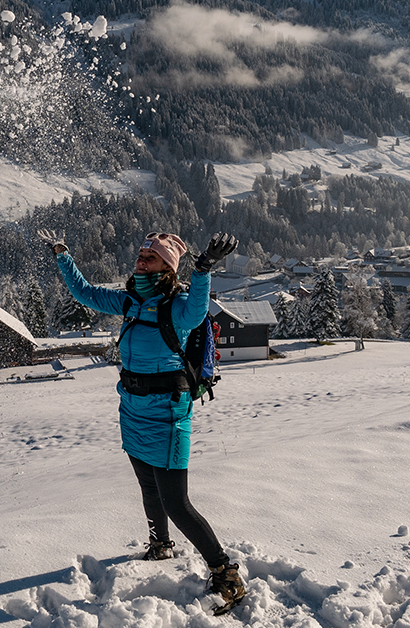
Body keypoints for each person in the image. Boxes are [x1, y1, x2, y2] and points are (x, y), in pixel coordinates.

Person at [38, 229, 246, 615]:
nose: (140, 260)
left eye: (150, 257)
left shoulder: (178, 305)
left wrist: (202, 269)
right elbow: (84, 292)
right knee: (148, 484)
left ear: (167, 266)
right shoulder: (131, 302)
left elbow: (199, 310)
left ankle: (225, 572)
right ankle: (160, 544)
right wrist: (63, 255)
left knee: (177, 501)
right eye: (140, 254)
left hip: (167, 412)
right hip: (132, 409)